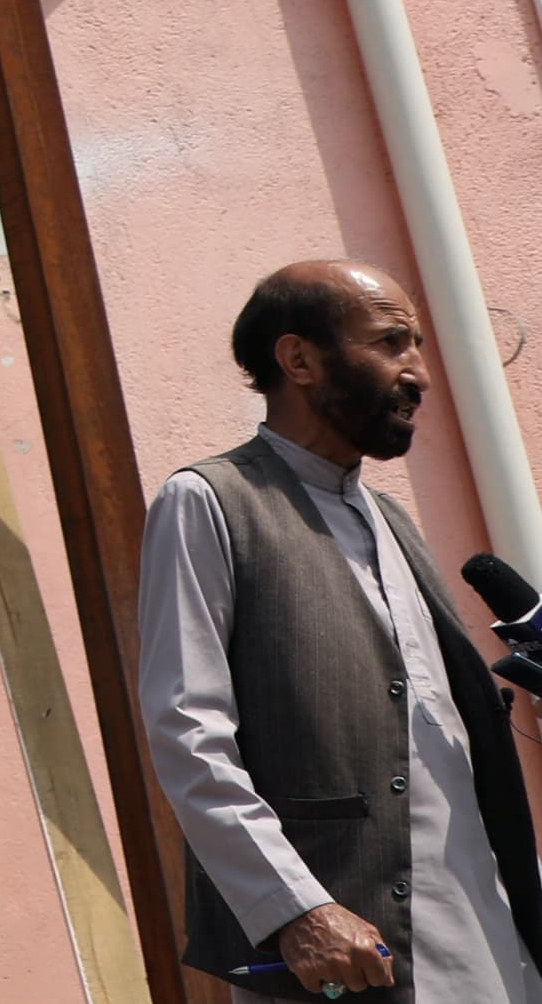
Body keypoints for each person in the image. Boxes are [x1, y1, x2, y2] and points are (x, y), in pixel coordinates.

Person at [141, 260, 542, 1000]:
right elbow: (186, 729)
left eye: (415, 344)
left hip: (482, 929)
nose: (417, 371)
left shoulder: (390, 521)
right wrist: (296, 907)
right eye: (391, 342)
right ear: (297, 358)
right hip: (341, 949)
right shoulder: (210, 502)